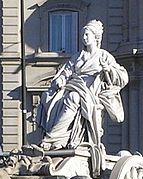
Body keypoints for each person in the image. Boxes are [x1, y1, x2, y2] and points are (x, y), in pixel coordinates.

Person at [36, 20, 129, 151]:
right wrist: (61, 79)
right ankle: (58, 138)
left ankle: (52, 138)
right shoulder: (77, 56)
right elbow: (66, 72)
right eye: (83, 36)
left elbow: (123, 77)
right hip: (74, 86)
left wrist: (108, 69)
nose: (84, 38)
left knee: (73, 97)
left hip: (91, 93)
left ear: (95, 37)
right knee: (49, 96)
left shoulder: (104, 56)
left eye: (87, 35)